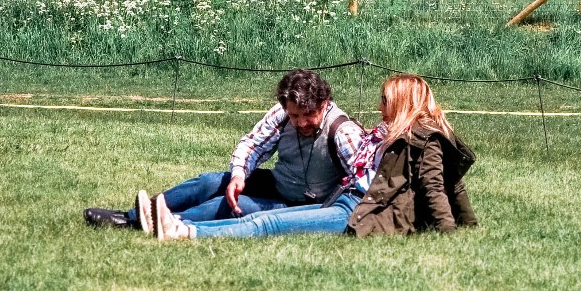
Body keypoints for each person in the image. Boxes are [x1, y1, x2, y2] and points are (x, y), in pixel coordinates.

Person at [81, 69, 367, 235]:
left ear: (325, 103)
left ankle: (164, 223)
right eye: (294, 116)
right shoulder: (282, 114)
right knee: (211, 181)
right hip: (279, 183)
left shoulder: (343, 132)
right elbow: (252, 144)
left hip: (301, 204)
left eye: (308, 115)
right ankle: (131, 215)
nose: (301, 122)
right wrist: (239, 176)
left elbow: (364, 181)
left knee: (227, 205)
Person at [346, 74, 477, 237]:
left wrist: (448, 230)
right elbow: (454, 182)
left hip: (379, 214)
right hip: (365, 203)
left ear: (402, 102)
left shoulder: (424, 138)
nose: (379, 107)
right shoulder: (401, 132)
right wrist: (469, 223)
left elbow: (435, 185)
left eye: (385, 100)